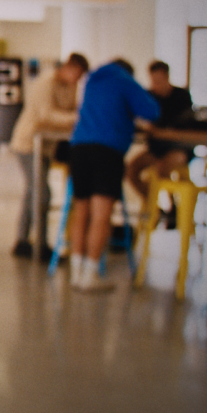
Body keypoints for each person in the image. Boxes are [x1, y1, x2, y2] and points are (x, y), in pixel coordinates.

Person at [67, 59, 160, 292]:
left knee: (81, 210)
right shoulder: (125, 81)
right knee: (101, 215)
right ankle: (90, 275)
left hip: (79, 149)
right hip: (106, 152)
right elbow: (152, 111)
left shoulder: (92, 80)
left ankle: (75, 273)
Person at [8, 53, 89, 260]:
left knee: (32, 193)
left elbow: (70, 111)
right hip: (28, 144)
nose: (78, 80)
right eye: (77, 74)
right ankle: (40, 246)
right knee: (42, 193)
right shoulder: (45, 82)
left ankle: (22, 241)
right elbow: (45, 114)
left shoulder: (71, 87)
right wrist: (77, 118)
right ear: (69, 67)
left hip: (47, 147)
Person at [125, 60, 194, 202]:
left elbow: (186, 128)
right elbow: (137, 117)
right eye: (153, 81)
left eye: (159, 80)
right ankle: (152, 204)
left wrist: (162, 130)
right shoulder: (149, 96)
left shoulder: (182, 96)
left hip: (179, 148)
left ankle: (173, 208)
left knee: (162, 169)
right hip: (156, 149)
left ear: (167, 77)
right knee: (131, 169)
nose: (155, 85)